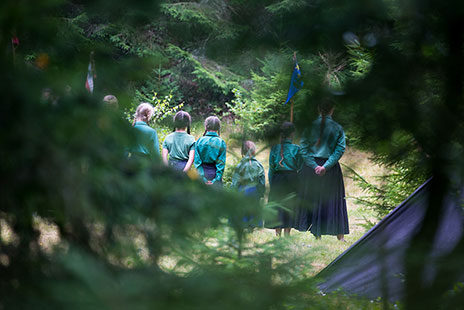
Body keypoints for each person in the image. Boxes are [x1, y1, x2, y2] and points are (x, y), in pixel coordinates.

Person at [298, 99, 349, 241]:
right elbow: (340, 149)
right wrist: (326, 166)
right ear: (332, 109)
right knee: (334, 200)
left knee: (314, 199)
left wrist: (314, 165)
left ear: (318, 109)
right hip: (330, 169)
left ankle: (317, 235)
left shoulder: (309, 127)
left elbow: (303, 148)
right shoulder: (338, 128)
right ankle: (340, 237)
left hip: (312, 168)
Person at [268, 122, 302, 237]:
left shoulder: (274, 149)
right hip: (292, 179)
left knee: (277, 205)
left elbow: (271, 168)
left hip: (277, 179)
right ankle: (287, 234)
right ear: (292, 134)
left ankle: (278, 234)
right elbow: (300, 166)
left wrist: (271, 182)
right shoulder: (297, 149)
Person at [194, 116, 226, 186]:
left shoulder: (199, 141)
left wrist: (202, 178)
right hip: (215, 173)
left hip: (202, 173)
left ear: (206, 127)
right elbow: (221, 164)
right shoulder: (221, 142)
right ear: (218, 128)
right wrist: (216, 179)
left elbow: (197, 162)